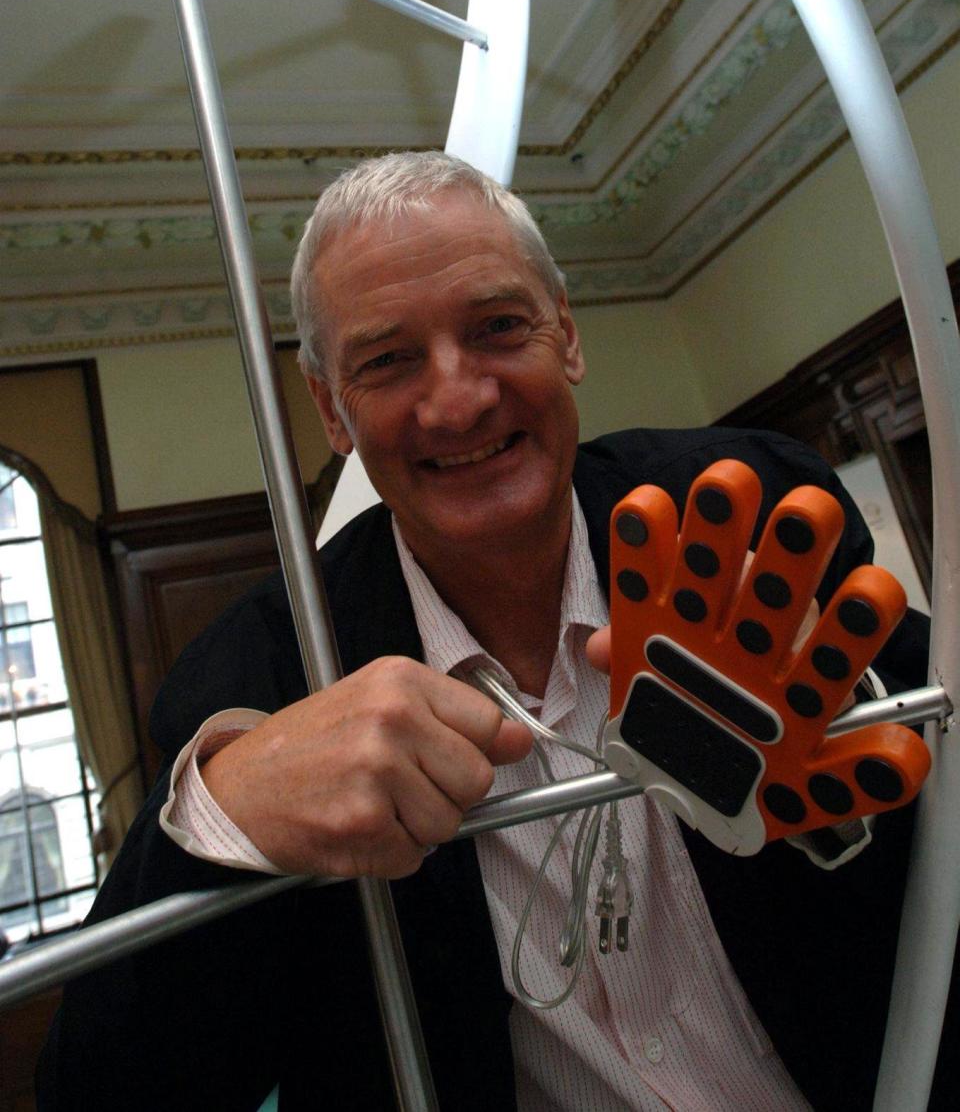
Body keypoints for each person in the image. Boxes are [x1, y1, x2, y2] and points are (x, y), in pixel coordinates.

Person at [38, 152, 952, 1111]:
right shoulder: (262, 672)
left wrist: (840, 756)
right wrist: (222, 823)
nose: (460, 400)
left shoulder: (739, 514)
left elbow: (926, 788)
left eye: (499, 327)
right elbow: (98, 1092)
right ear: (328, 410)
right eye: (388, 360)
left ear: (566, 334)